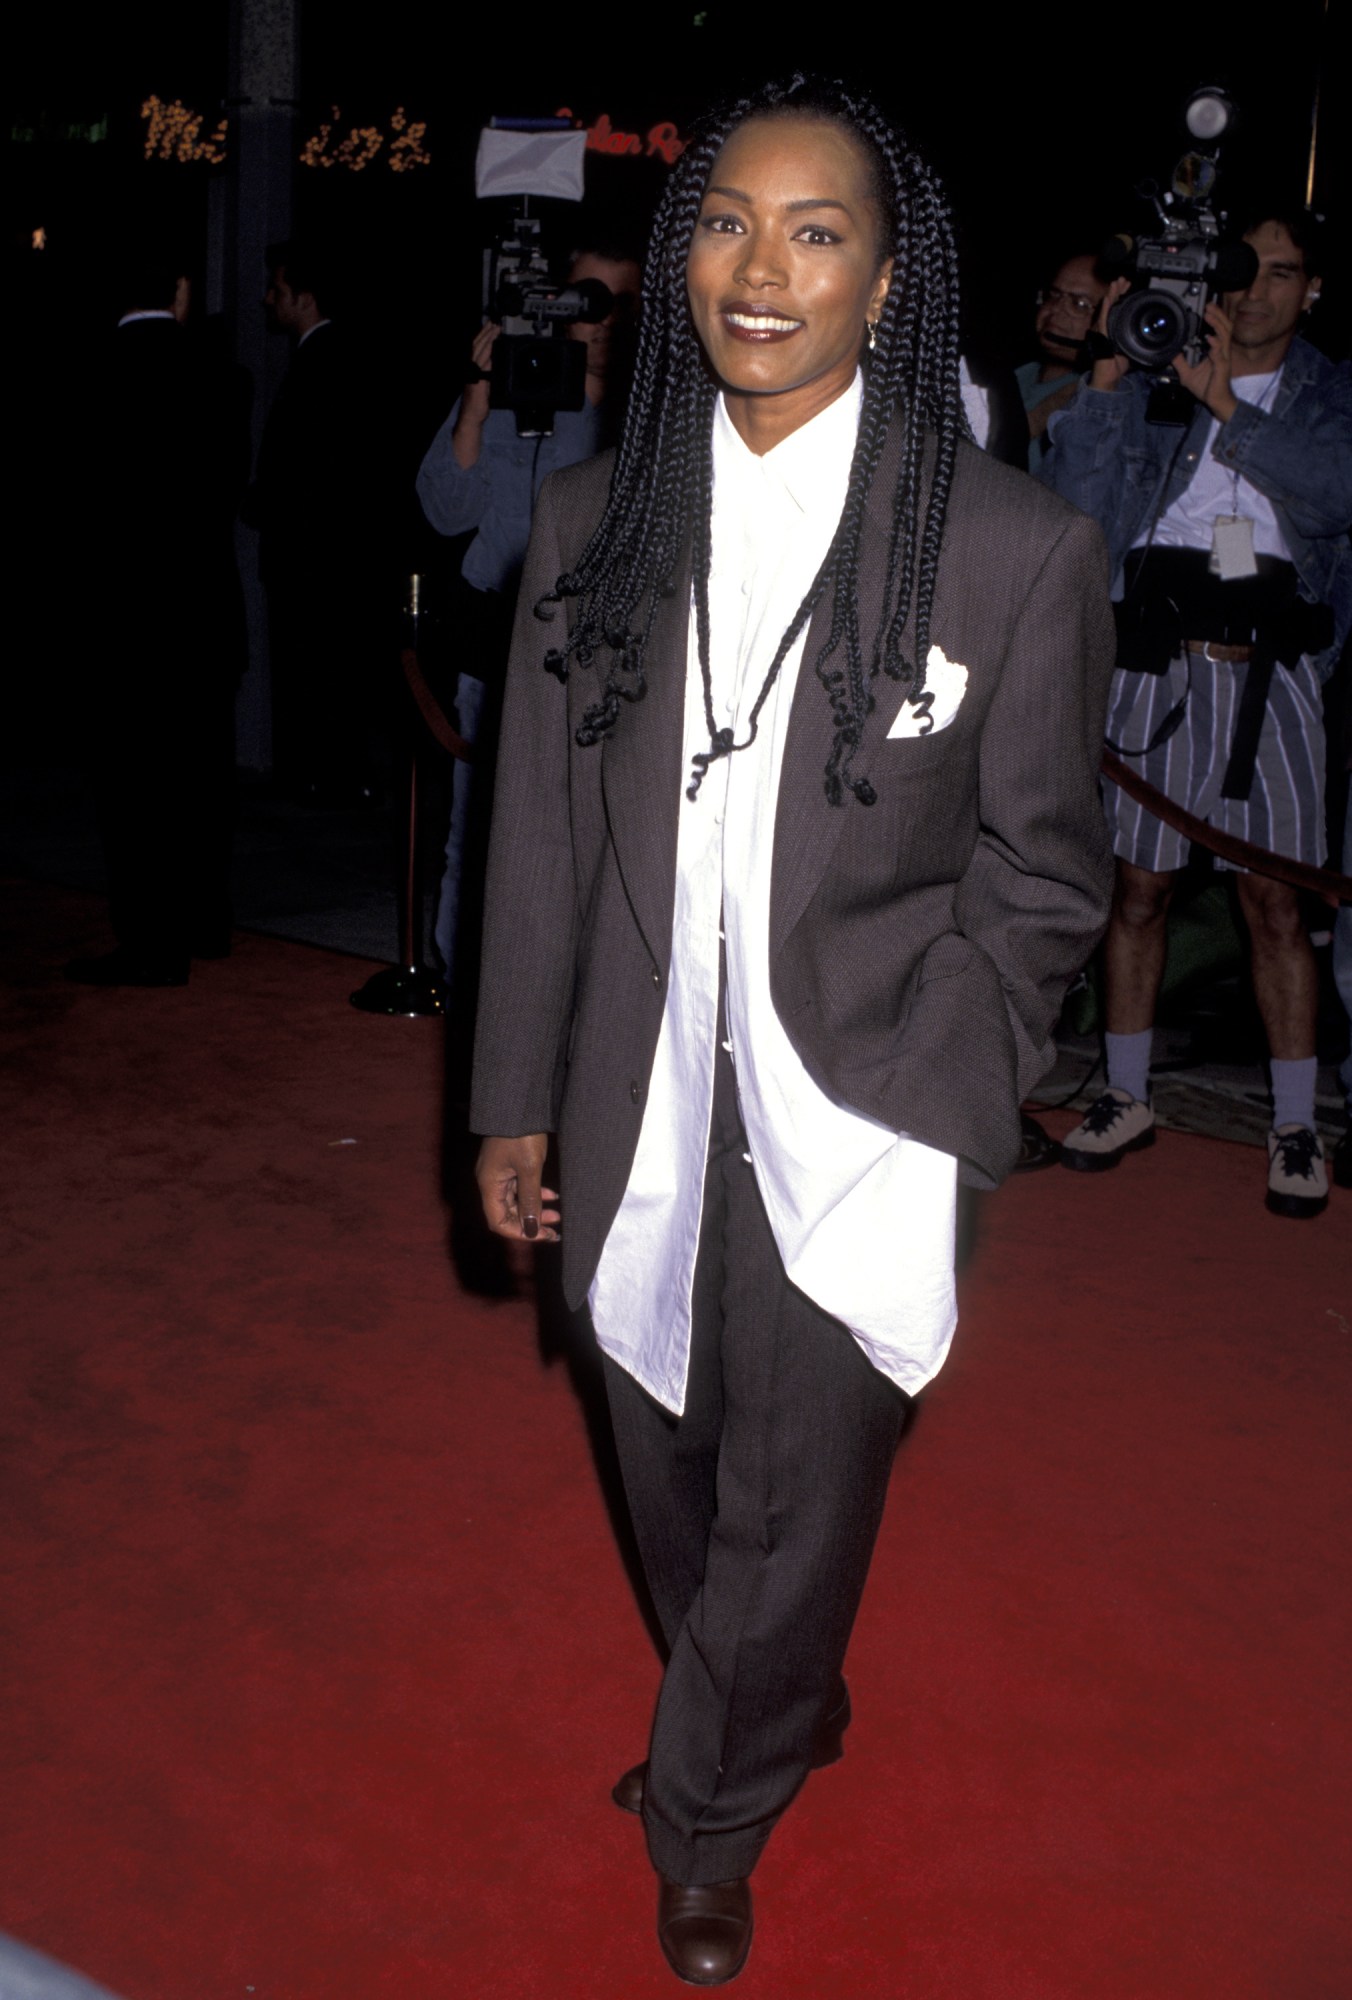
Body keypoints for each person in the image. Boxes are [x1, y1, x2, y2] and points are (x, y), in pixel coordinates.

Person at [471, 76, 1114, 1985]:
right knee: (661, 1451)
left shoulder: (1009, 551)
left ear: (884, 280)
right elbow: (533, 845)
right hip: (637, 1082)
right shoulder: (596, 521)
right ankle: (769, 1686)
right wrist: (511, 1093)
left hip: (861, 1104)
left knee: (796, 1483)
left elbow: (1046, 874)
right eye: (726, 225)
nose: (763, 268)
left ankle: (711, 1808)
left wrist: (944, 1088)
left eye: (814, 231)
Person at [1045, 208, 1351, 1216]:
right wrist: (1105, 379)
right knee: (1137, 891)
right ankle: (1124, 1094)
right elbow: (1081, 517)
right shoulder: (1151, 373)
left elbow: (1329, 492)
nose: (1252, 290)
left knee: (1276, 903)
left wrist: (1221, 398)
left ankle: (1294, 1122)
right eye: (1240, 270)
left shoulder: (1328, 390)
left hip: (1269, 674)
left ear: (1309, 289)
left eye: (1279, 273)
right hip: (1155, 667)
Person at [415, 238, 642, 981]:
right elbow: (446, 512)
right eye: (586, 302)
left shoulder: (656, 412)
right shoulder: (516, 386)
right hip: (501, 634)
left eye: (617, 304)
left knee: (600, 840)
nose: (600, 322)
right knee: (478, 833)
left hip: (613, 650)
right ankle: (460, 983)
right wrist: (477, 402)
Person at [65, 241, 247, 987]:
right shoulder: (224, 379)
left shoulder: (87, 380)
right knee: (203, 775)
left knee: (135, 789)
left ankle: (151, 943)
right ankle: (206, 922)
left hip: (122, 620)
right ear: (180, 292)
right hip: (205, 612)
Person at [251, 240, 392, 804]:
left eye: (278, 291)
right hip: (331, 552)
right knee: (332, 665)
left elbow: (312, 467)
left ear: (305, 299)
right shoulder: (341, 358)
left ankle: (318, 777)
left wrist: (266, 502)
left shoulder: (321, 363)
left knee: (312, 666)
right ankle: (333, 772)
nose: (267, 299)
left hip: (311, 553)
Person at [1016, 251, 1108, 474]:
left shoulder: (1095, 398)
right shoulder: (1017, 375)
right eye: (1054, 295)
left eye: (1080, 304)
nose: (1055, 309)